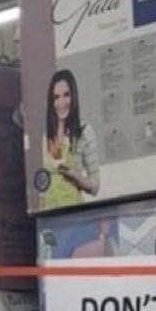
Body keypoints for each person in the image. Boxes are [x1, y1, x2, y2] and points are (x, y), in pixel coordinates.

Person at [40, 69, 100, 210]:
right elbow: (44, 184)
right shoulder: (47, 136)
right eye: (56, 97)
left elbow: (95, 187)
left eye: (66, 95)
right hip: (50, 215)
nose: (61, 102)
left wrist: (75, 175)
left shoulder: (85, 131)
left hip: (73, 214)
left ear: (74, 96)